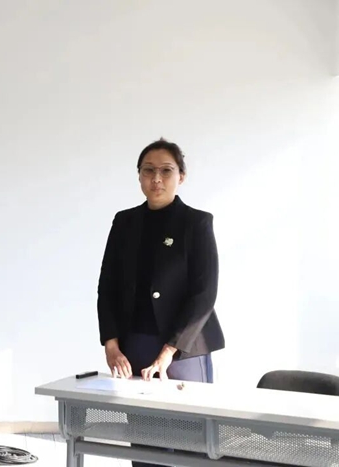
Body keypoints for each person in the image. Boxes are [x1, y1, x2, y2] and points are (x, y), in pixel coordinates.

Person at [96, 138, 225, 466]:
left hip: (184, 348)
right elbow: (107, 287)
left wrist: (169, 351)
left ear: (181, 176)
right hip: (135, 346)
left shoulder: (197, 223)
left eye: (166, 171)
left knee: (190, 444)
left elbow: (204, 294)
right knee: (145, 445)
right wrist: (111, 345)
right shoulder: (124, 222)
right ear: (138, 175)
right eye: (148, 171)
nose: (156, 179)